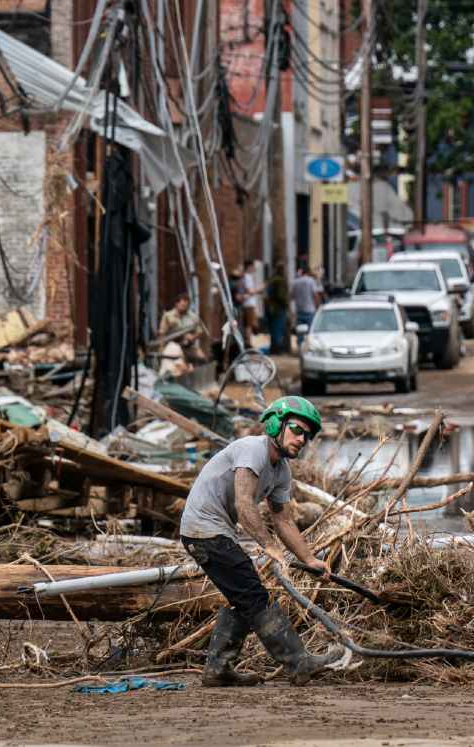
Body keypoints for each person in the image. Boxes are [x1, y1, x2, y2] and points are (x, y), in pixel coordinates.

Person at [180, 396, 348, 687]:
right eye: (296, 429)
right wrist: (269, 547)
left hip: (217, 532)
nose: (301, 439)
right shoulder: (251, 450)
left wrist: (309, 559)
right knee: (255, 597)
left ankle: (218, 670)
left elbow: (283, 520)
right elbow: (245, 505)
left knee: (244, 597)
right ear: (274, 425)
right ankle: (298, 663)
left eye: (306, 435)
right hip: (203, 530)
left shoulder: (281, 470)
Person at [158, 294, 207, 364]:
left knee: (202, 358)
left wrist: (192, 337)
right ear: (177, 304)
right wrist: (162, 349)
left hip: (188, 347)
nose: (184, 308)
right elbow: (162, 333)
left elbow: (200, 332)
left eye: (186, 306)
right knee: (179, 363)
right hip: (173, 346)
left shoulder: (192, 317)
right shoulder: (168, 316)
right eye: (183, 306)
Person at [290, 265, 323, 352]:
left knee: (300, 332)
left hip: (299, 311)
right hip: (310, 310)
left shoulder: (295, 282)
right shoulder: (310, 281)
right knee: (310, 332)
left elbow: (291, 296)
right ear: (308, 273)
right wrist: (318, 306)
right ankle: (309, 350)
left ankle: (300, 349)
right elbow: (315, 295)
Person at [265, 265, 290, 355]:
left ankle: (273, 348)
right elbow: (281, 296)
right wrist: (287, 305)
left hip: (270, 309)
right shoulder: (281, 281)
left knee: (273, 330)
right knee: (278, 329)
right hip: (278, 309)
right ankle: (277, 350)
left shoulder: (271, 280)